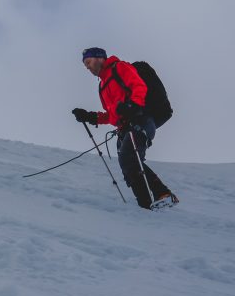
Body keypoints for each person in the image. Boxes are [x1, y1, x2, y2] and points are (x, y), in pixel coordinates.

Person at [72, 47, 178, 209]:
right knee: (128, 164)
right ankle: (145, 205)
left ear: (99, 58)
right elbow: (112, 115)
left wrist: (132, 106)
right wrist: (90, 116)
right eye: (85, 65)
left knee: (129, 158)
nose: (87, 67)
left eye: (88, 62)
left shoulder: (119, 67)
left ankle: (162, 195)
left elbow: (139, 86)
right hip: (125, 128)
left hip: (141, 120)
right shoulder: (102, 87)